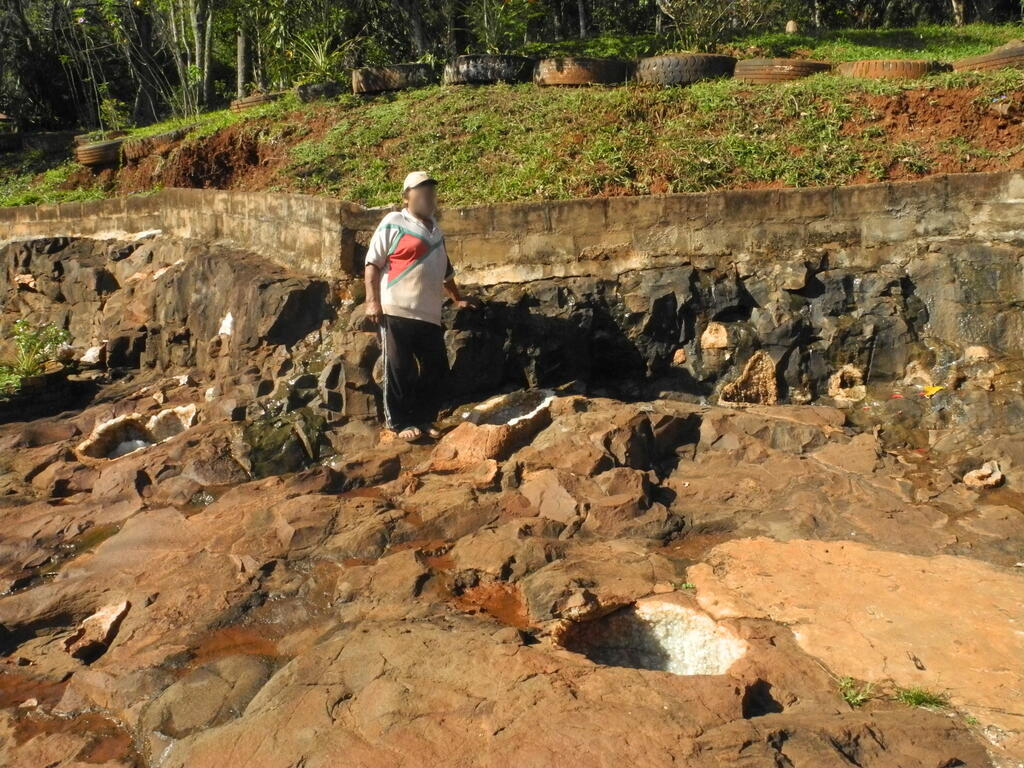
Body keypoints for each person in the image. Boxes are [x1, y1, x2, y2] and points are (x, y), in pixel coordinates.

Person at [364, 171, 476, 441]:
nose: (428, 196)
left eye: (431, 192)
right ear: (407, 196)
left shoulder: (436, 230)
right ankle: (399, 423)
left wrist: (456, 298)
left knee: (436, 367)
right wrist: (371, 301)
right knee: (400, 368)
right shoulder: (394, 222)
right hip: (396, 309)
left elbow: (445, 271)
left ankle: (424, 417)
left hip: (428, 313)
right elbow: (372, 264)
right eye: (421, 191)